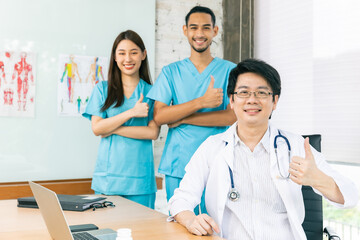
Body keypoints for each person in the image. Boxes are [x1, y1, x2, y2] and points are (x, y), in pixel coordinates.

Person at [169, 59, 359, 239]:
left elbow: (350, 195)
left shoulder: (297, 147)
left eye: (261, 93)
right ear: (232, 101)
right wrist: (191, 220)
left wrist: (318, 179)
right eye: (243, 92)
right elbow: (181, 199)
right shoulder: (212, 147)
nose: (252, 100)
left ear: (274, 101)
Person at [146, 6, 236, 211]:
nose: (199, 33)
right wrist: (201, 102)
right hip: (179, 164)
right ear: (185, 30)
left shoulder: (230, 70)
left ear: (215, 31)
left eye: (206, 28)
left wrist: (184, 118)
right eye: (194, 27)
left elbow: (232, 117)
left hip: (219, 162)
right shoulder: (171, 72)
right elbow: (159, 115)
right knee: (181, 224)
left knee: (217, 227)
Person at [83, 30, 159, 209]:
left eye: (133, 52)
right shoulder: (102, 89)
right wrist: (131, 113)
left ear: (143, 55)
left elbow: (152, 132)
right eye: (122, 53)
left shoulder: (152, 92)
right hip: (108, 180)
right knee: (107, 233)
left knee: (143, 234)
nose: (128, 59)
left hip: (140, 181)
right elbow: (97, 129)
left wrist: (111, 128)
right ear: (115, 57)